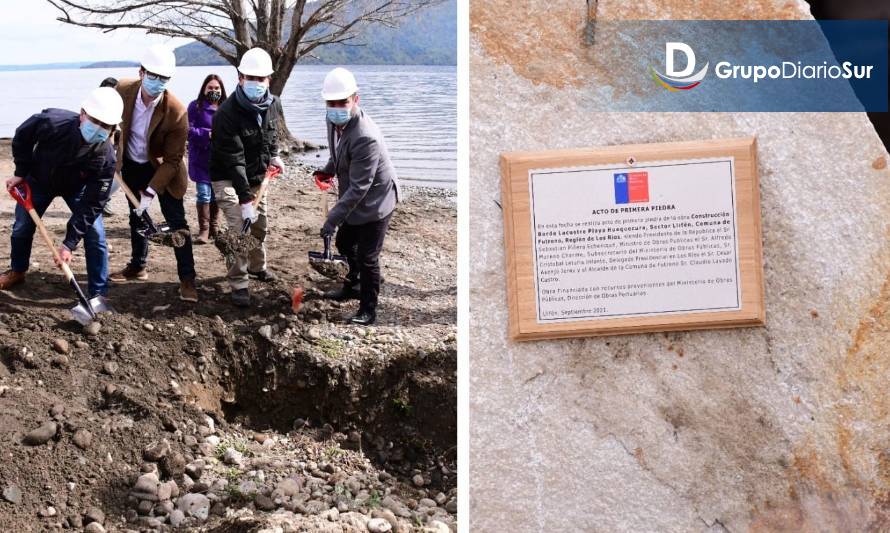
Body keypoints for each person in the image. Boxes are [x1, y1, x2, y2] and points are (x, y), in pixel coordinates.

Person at [0, 87, 123, 299]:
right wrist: (21, 171)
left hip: (77, 188)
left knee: (96, 235)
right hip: (39, 180)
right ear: (83, 113)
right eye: (95, 120)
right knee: (21, 227)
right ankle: (18, 270)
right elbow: (21, 136)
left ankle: (98, 293)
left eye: (106, 125)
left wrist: (69, 244)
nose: (99, 128)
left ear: (113, 129)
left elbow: (93, 203)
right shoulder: (52, 122)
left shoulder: (106, 158)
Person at [109, 45, 198, 302]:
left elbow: (172, 160)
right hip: (132, 164)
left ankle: (187, 278)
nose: (158, 82)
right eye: (153, 75)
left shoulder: (177, 112)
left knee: (177, 224)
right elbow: (112, 125)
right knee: (137, 216)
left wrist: (151, 190)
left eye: (164, 78)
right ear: (141, 72)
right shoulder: (123, 90)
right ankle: (138, 266)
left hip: (162, 168)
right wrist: (111, 157)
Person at [316, 68, 400, 326]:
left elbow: (360, 188)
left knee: (367, 256)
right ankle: (352, 284)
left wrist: (332, 218)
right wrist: (328, 170)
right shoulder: (333, 120)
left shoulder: (366, 137)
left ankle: (368, 310)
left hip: (377, 200)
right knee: (344, 243)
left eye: (343, 102)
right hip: (355, 194)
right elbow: (339, 151)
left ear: (355, 99)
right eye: (332, 103)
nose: (337, 107)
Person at [209, 47, 285, 307]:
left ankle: (256, 266)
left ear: (268, 80)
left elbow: (271, 136)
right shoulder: (226, 113)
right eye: (250, 77)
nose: (255, 83)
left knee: (260, 225)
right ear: (240, 78)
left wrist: (274, 156)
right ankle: (239, 282)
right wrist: (244, 199)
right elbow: (234, 159)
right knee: (239, 227)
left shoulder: (273, 104)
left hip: (256, 176)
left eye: (260, 78)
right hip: (227, 177)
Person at [188, 74, 226, 244]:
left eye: (217, 88)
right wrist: (207, 134)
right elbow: (187, 130)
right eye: (210, 88)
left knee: (216, 195)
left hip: (220, 159)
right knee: (204, 194)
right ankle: (204, 230)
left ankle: (214, 228)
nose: (213, 91)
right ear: (204, 88)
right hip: (200, 158)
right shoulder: (195, 107)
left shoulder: (226, 107)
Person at [100, 77, 120, 218]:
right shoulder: (96, 106)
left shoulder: (120, 107)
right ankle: (102, 199)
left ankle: (105, 198)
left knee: (117, 176)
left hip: (113, 147)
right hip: (98, 146)